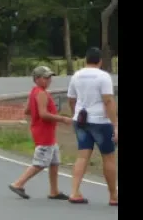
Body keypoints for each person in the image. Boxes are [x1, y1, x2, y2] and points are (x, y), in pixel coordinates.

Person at [8, 66, 72, 200]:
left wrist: (37, 115)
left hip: (46, 131)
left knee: (54, 161)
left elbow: (27, 110)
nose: (49, 80)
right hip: (44, 132)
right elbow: (43, 114)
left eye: (50, 77)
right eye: (45, 78)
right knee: (40, 162)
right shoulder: (41, 93)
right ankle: (18, 183)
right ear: (37, 79)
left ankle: (54, 191)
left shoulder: (35, 92)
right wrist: (62, 118)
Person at [66, 47, 118, 206]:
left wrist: (75, 113)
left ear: (85, 60)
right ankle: (113, 195)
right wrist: (115, 124)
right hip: (101, 122)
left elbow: (71, 99)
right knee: (108, 157)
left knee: (82, 156)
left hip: (81, 120)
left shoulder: (76, 75)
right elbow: (108, 101)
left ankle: (74, 192)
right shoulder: (103, 77)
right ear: (100, 60)